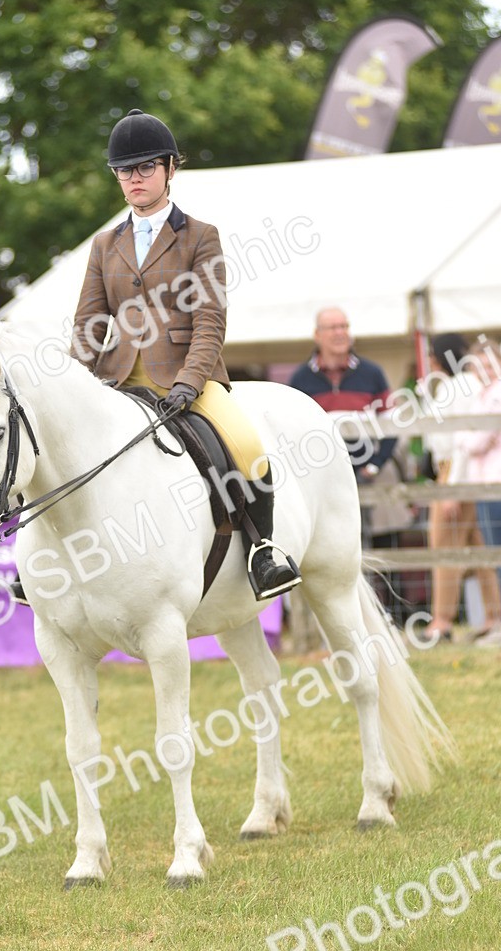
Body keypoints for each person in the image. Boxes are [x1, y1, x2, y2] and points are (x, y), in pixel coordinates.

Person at [69, 107, 300, 602]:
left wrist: (189, 383)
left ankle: (263, 549)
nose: (134, 178)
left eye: (145, 167)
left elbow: (210, 320)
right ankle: (41, 566)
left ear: (171, 169)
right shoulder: (104, 245)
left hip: (184, 377)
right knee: (51, 443)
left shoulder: (200, 236)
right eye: (124, 170)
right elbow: (89, 323)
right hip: (117, 381)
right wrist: (73, 384)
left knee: (245, 444)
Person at [417, 333, 501, 644]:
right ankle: (494, 616)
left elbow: (461, 439)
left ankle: (442, 620)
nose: (430, 359)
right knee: (477, 547)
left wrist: (452, 487)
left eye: (432, 354)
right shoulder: (453, 386)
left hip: (455, 471)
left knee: (444, 546)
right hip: (451, 470)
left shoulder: (463, 386)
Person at [449, 339, 501, 645]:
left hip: (500, 484)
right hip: (487, 484)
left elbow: (480, 440)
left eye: (486, 363)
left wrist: (462, 438)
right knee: (495, 555)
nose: (480, 370)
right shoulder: (489, 394)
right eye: (475, 365)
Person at [290, 308, 396, 481]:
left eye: (344, 326)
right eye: (332, 327)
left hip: (362, 475)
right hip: (320, 477)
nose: (340, 332)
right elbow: (292, 428)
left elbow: (392, 419)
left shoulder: (372, 373)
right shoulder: (301, 378)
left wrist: (375, 464)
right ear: (317, 334)